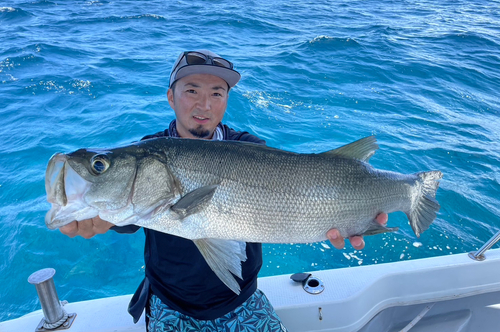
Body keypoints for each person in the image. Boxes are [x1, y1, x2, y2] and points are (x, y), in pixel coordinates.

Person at [59, 49, 389, 331]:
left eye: (217, 93)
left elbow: (304, 186)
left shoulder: (248, 148)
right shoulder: (147, 152)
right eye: (192, 90)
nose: (204, 104)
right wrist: (99, 217)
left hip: (242, 299)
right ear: (171, 96)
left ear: (227, 100)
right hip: (171, 305)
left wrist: (344, 214)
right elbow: (128, 216)